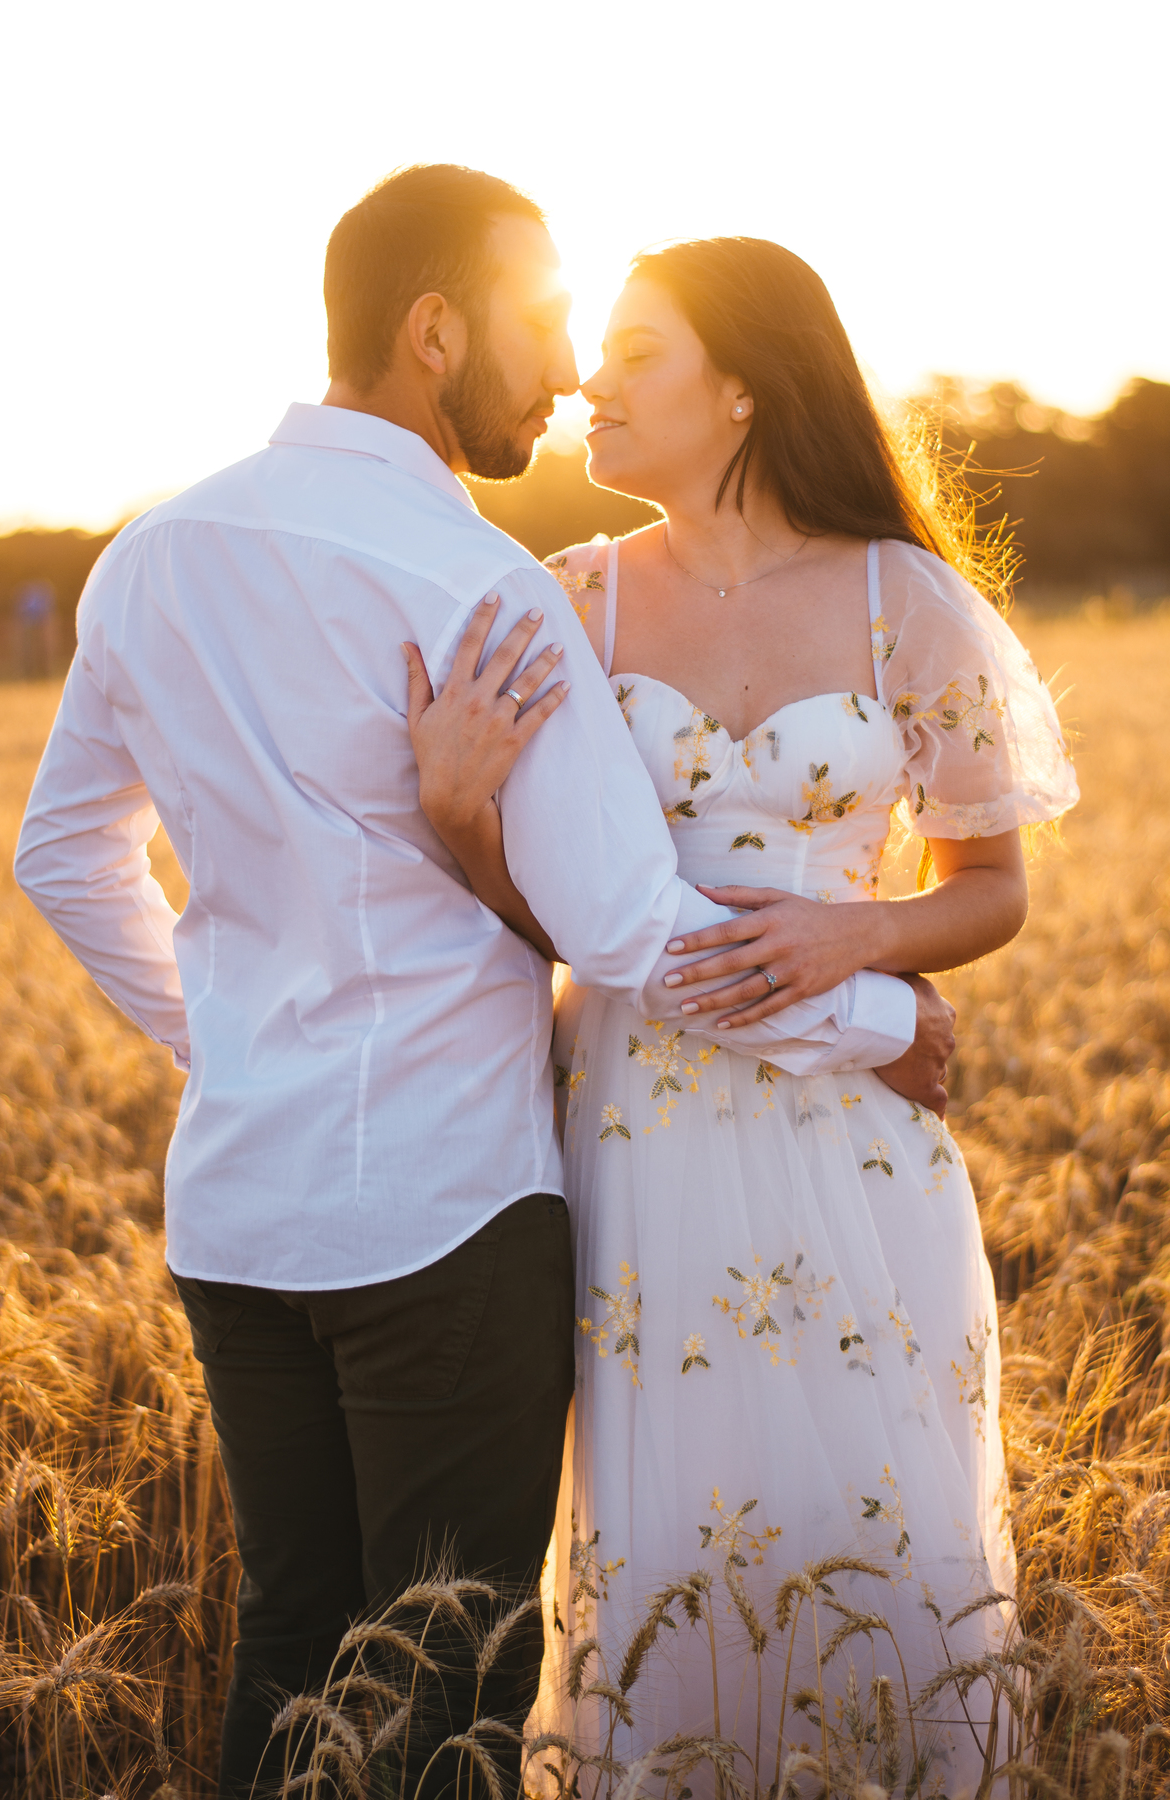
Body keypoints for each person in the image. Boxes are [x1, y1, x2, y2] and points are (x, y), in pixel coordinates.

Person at [13, 171, 942, 1799]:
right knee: (446, 1688)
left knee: (294, 1651)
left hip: (235, 1214)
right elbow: (639, 931)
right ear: (434, 330)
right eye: (543, 320)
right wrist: (883, 1018)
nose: (566, 361)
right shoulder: (481, 587)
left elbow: (64, 857)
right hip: (442, 1218)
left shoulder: (152, 557)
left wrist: (220, 1039)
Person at [402, 236, 1079, 1790]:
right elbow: (534, 904)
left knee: (883, 1522)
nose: (587, 378)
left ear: (744, 388)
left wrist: (863, 937)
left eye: (634, 352)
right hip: (635, 1124)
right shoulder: (568, 605)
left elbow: (992, 886)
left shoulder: (908, 601)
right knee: (664, 1533)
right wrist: (458, 821)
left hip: (855, 1135)